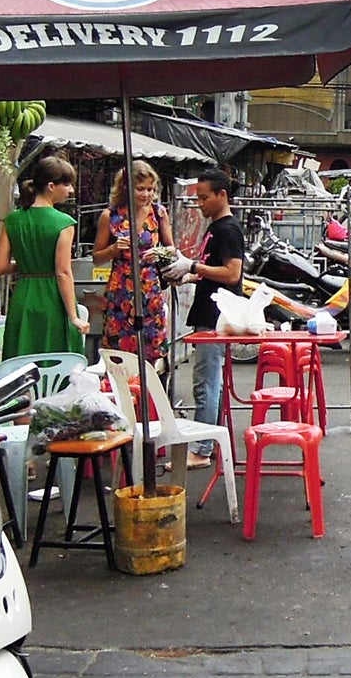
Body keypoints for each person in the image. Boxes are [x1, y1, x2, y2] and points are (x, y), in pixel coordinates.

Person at [159, 168, 245, 470]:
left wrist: (192, 265)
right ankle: (211, 441)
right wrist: (190, 277)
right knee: (213, 383)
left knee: (205, 383)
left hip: (215, 315)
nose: (200, 204)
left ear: (222, 195)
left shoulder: (228, 229)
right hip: (210, 310)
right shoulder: (215, 228)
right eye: (197, 198)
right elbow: (214, 273)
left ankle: (202, 448)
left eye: (204, 197)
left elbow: (233, 274)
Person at [0, 155, 89, 359]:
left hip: (22, 299)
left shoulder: (13, 220)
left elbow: (0, 267)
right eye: (67, 184)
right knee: (55, 360)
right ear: (51, 186)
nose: (71, 190)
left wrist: (27, 264)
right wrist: (74, 316)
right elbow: (63, 272)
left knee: (21, 357)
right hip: (52, 301)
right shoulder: (64, 223)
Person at [93, 160, 175, 363]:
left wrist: (159, 253)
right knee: (119, 351)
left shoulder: (158, 213)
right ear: (126, 187)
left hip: (150, 290)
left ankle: (150, 392)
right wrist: (113, 249)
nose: (146, 194)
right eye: (140, 189)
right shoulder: (110, 216)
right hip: (120, 290)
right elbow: (96, 258)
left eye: (150, 189)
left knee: (152, 349)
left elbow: (172, 250)